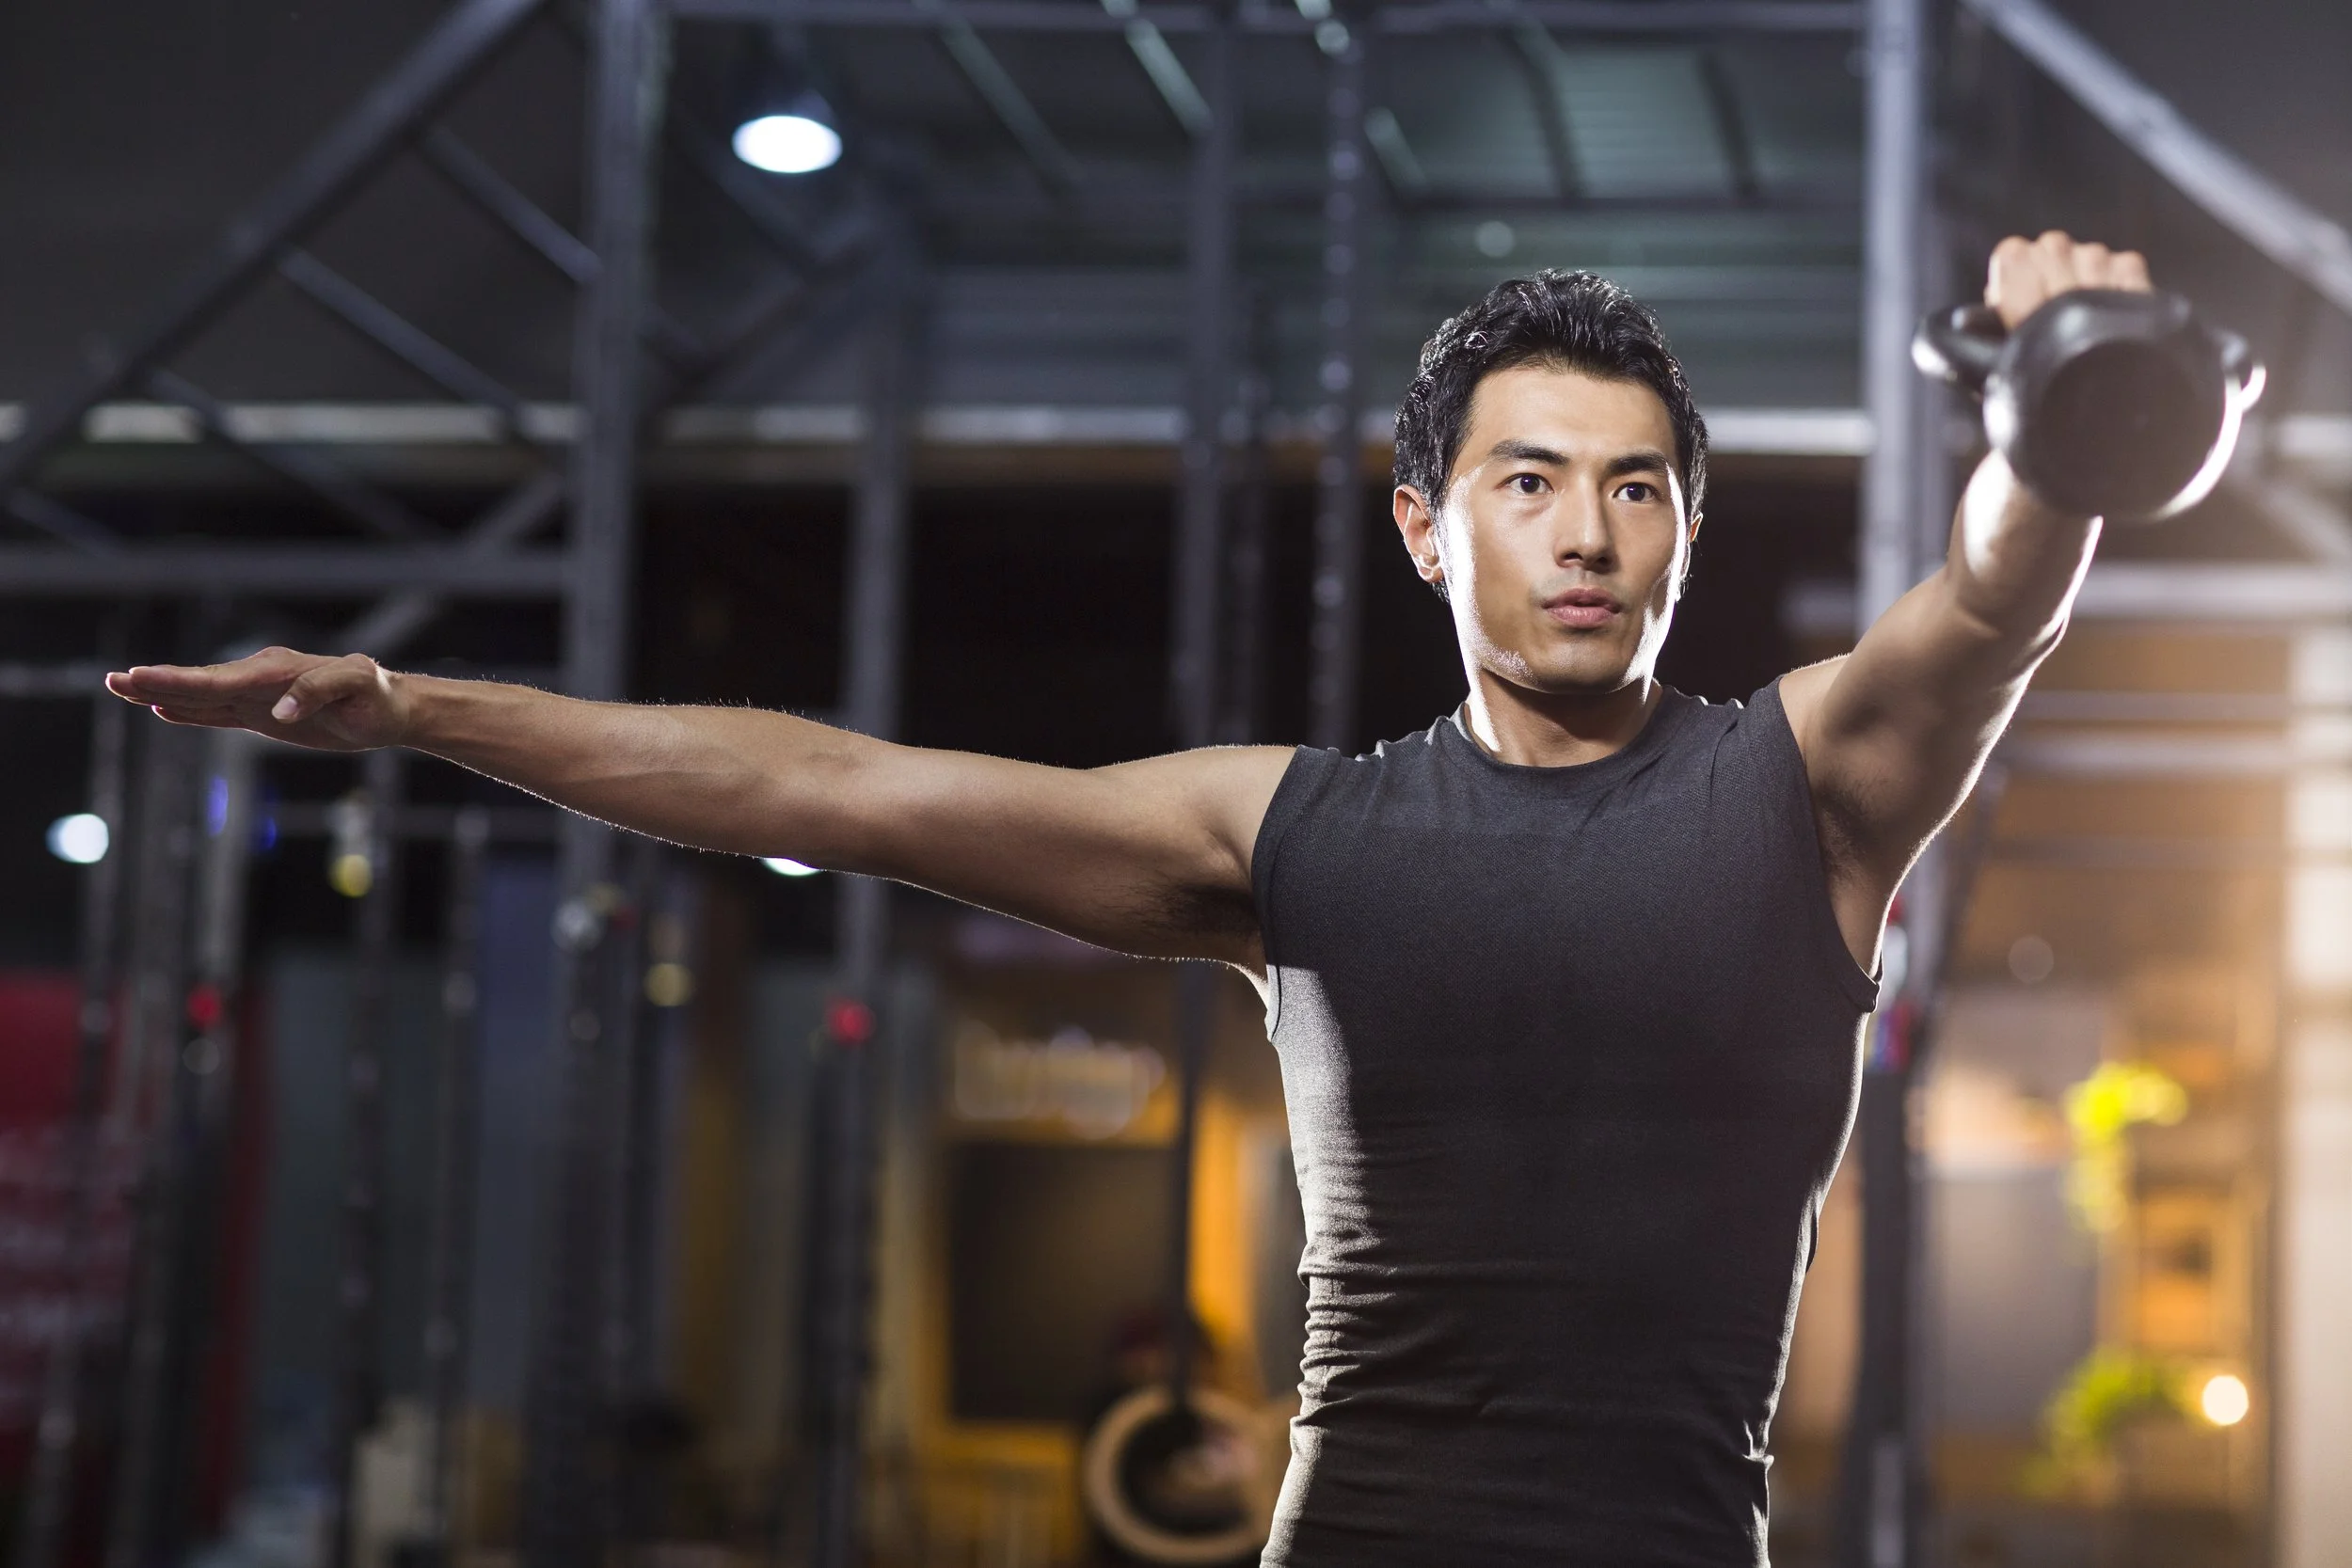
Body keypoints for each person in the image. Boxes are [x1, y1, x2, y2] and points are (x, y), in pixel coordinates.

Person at [109, 231, 2151, 1566]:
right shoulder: (1290, 837)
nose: (1585, 534)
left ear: (1686, 534)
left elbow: (1988, 597)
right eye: (1526, 481)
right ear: (1426, 528)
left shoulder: (1801, 794)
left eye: (1634, 488)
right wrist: (418, 706)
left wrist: (2054, 412)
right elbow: (838, 790)